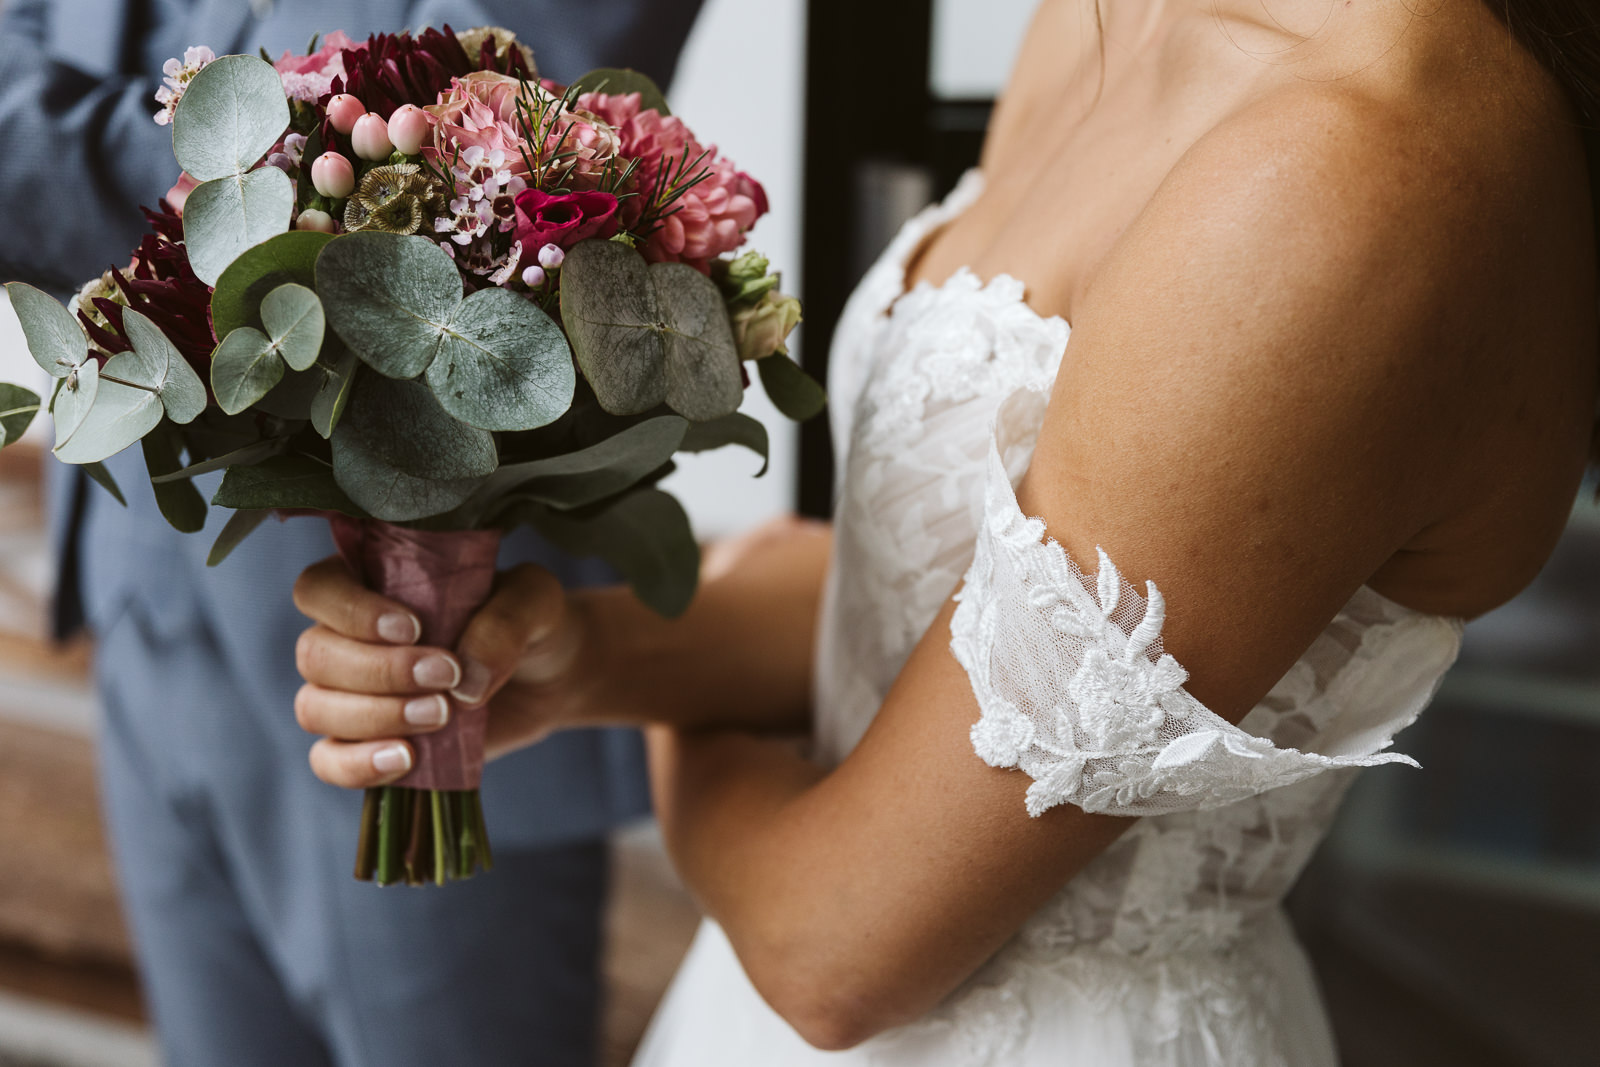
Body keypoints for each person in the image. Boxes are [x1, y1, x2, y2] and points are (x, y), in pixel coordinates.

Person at [292, 0, 1599, 1063]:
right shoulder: (1110, 17)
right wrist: (581, 652)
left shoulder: (1353, 168)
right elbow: (954, 598)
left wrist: (678, 742)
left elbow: (832, 953)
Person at [0, 2, 702, 1065]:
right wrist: (226, 164)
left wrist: (89, 159)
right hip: (136, 566)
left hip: (435, 609)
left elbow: (487, 106)